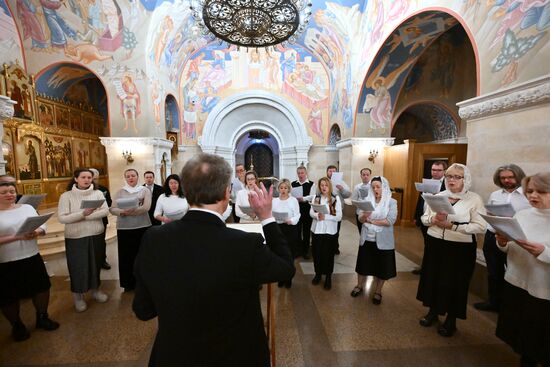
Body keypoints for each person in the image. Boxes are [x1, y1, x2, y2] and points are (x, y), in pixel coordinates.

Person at [132, 153, 294, 366]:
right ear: (226, 193)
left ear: (186, 190)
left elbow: (144, 310)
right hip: (236, 355)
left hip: (177, 355)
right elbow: (285, 268)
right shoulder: (245, 244)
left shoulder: (154, 239)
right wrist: (267, 218)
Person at [416, 163, 486, 337]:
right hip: (435, 244)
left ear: (465, 179)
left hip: (460, 248)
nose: (452, 180)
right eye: (449, 176)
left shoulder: (474, 199)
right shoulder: (438, 196)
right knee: (434, 278)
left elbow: (481, 226)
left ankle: (451, 320)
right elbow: (424, 218)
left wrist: (453, 226)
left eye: (457, 177)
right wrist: (433, 219)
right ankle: (433, 311)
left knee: (455, 283)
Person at [494, 172, 550, 367]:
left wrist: (544, 252)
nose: (533, 196)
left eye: (542, 191)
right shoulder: (522, 214)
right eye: (530, 191)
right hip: (517, 281)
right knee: (521, 332)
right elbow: (512, 246)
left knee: (540, 336)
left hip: (542, 288)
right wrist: (502, 242)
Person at [0, 180, 59, 341]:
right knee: (9, 295)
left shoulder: (27, 208)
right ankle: (17, 325)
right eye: (4, 192)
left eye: (12, 191)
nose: (9, 195)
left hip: (31, 254)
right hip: (6, 260)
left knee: (41, 287)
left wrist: (38, 231)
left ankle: (42, 317)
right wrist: (17, 237)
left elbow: (43, 225)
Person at [474, 164, 530, 312]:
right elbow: (490, 213)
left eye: (510, 177)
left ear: (518, 176)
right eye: (503, 178)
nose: (507, 180)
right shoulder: (495, 195)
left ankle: (510, 306)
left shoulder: (528, 195)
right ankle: (493, 302)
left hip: (514, 239)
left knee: (513, 273)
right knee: (493, 272)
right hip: (493, 235)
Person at [58, 169, 110, 312]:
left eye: (89, 177)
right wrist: (82, 214)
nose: (87, 180)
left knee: (95, 263)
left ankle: (95, 291)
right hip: (75, 237)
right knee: (78, 267)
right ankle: (78, 298)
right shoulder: (66, 196)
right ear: (76, 179)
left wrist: (85, 216)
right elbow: (62, 218)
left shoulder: (98, 193)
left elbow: (105, 211)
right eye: (83, 177)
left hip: (95, 233)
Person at [350, 176, 397, 305]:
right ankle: (359, 285)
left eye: (378, 187)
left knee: (381, 267)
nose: (375, 189)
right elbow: (360, 218)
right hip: (367, 238)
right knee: (363, 264)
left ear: (384, 187)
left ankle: (378, 291)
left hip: (383, 240)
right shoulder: (367, 200)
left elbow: (390, 221)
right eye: (373, 187)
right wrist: (364, 216)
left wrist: (371, 220)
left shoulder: (391, 202)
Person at [109, 169, 151, 292]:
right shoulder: (120, 192)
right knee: (126, 256)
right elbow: (112, 209)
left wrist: (132, 212)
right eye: (128, 176)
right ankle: (128, 283)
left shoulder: (145, 190)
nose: (130, 178)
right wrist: (122, 212)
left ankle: (144, 282)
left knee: (142, 255)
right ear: (125, 178)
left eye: (133, 175)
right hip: (124, 228)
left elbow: (146, 207)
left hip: (142, 226)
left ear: (138, 177)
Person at [413, 161, 447, 275]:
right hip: (425, 218)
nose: (435, 172)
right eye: (433, 170)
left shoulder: (447, 184)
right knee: (427, 245)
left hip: (438, 220)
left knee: (436, 246)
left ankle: (435, 269)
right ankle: (426, 267)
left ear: (444, 171)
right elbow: (420, 200)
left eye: (438, 170)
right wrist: (417, 216)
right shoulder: (427, 182)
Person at [310, 177, 342, 290]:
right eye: (322, 185)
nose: (323, 187)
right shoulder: (316, 197)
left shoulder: (335, 199)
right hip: (317, 230)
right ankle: (318, 274)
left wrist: (326, 217)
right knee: (317, 254)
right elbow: (311, 212)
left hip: (329, 231)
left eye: (326, 185)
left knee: (328, 255)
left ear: (329, 187)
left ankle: (328, 277)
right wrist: (316, 215)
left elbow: (339, 217)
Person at [272, 179, 301, 288]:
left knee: (289, 255)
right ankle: (281, 277)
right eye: (281, 187)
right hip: (278, 229)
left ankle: (288, 278)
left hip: (290, 228)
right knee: (280, 254)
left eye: (285, 188)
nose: (283, 190)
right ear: (278, 188)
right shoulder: (274, 200)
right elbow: (271, 213)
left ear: (289, 189)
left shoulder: (293, 200)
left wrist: (291, 220)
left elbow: (298, 215)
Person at [89, 168, 112, 270]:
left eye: (96, 179)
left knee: (101, 241)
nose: (94, 181)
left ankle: (102, 260)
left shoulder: (103, 189)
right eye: (91, 178)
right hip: (87, 220)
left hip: (101, 219)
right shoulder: (82, 190)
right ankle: (90, 262)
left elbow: (110, 203)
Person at [291, 165, 316, 259]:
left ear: (306, 173)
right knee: (297, 231)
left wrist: (303, 198)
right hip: (296, 210)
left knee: (306, 232)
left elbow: (313, 196)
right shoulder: (293, 183)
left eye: (302, 173)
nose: (300, 175)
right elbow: (290, 195)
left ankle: (305, 251)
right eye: (299, 173)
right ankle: (297, 250)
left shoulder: (311, 184)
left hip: (307, 210)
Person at [326, 165, 350, 255]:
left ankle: (335, 247)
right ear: (327, 172)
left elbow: (348, 195)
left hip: (337, 210)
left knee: (336, 230)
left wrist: (342, 189)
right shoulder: (323, 181)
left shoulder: (341, 182)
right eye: (330, 171)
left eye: (334, 171)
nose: (331, 173)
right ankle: (327, 247)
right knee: (327, 230)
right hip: (326, 210)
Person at [351, 168, 372, 234]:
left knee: (370, 233)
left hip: (371, 214)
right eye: (364, 175)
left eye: (367, 175)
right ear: (361, 176)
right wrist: (360, 202)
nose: (365, 176)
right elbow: (353, 200)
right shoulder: (357, 187)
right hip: (360, 212)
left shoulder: (374, 186)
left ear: (370, 175)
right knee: (361, 232)